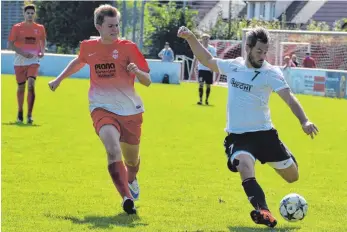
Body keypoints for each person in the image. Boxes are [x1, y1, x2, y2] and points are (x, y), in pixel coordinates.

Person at [177, 26, 318, 228]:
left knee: (292, 177)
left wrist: (304, 121)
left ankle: (284, 155)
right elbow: (207, 60)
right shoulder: (234, 67)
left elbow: (290, 99)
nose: (262, 56)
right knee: (244, 165)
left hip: (266, 135)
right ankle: (264, 211)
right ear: (248, 48)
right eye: (259, 51)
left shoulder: (271, 73)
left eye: (265, 51)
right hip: (239, 137)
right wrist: (191, 37)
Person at [48, 4, 151, 215]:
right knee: (112, 149)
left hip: (130, 111)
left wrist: (137, 71)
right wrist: (59, 79)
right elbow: (79, 61)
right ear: (98, 26)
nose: (116, 29)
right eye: (111, 26)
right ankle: (126, 198)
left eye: (117, 25)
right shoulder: (88, 47)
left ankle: (131, 178)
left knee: (131, 160)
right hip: (101, 108)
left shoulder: (129, 47)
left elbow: (147, 81)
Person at [7, 4, 46, 124]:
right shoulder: (17, 27)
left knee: (31, 85)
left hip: (33, 61)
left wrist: (42, 51)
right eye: (27, 13)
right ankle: (20, 112)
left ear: (35, 14)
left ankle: (29, 115)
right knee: (21, 87)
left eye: (32, 13)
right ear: (24, 14)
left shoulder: (40, 28)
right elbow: (10, 45)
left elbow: (42, 40)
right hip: (19, 61)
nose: (30, 15)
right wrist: (23, 53)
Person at [191, 33, 217, 105]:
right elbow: (195, 59)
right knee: (201, 84)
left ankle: (206, 100)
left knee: (208, 85)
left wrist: (213, 68)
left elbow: (214, 58)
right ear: (201, 39)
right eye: (204, 38)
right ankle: (200, 100)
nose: (205, 40)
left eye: (207, 39)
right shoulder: (198, 48)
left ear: (209, 40)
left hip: (209, 70)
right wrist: (193, 68)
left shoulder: (212, 49)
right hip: (201, 69)